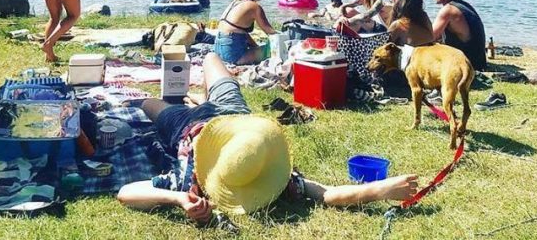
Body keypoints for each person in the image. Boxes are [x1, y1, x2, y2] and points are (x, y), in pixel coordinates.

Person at [117, 52, 421, 221]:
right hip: (235, 115)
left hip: (186, 124)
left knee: (147, 104)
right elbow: (326, 193)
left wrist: (178, 199)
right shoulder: (273, 171)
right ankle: (202, 92)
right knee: (210, 57)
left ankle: (191, 100)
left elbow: (126, 193)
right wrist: (381, 189)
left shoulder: (190, 181)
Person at [214, 0, 277, 64]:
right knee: (269, 51)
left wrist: (255, 46)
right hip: (233, 54)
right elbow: (270, 32)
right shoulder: (254, 7)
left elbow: (241, 32)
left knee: (257, 49)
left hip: (218, 50)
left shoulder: (235, 3)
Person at [431, 0, 487, 71]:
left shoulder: (448, 10)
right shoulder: (464, 5)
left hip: (468, 64)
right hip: (479, 61)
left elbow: (430, 37)